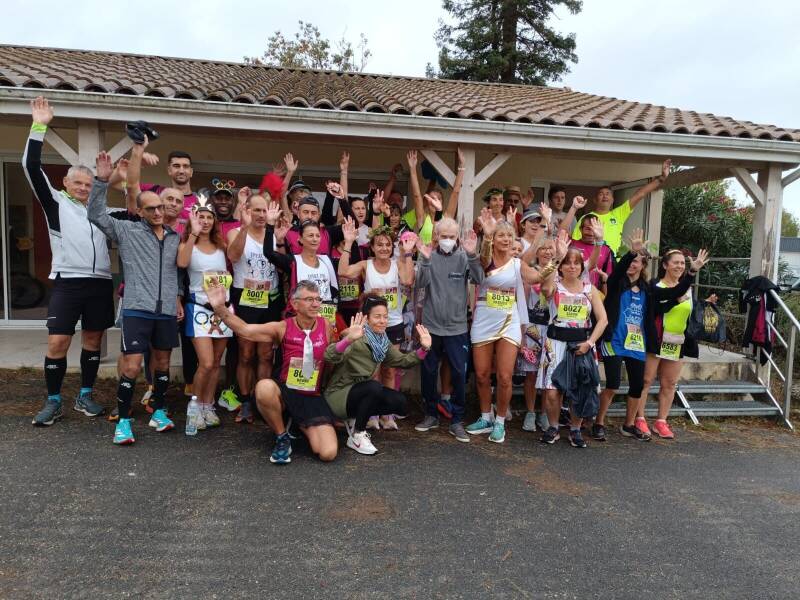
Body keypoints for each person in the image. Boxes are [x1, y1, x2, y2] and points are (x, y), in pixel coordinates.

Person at [23, 96, 111, 425]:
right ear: (66, 183)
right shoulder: (55, 203)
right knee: (58, 340)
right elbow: (31, 168)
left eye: (89, 184)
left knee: (93, 340)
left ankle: (85, 395)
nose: (84, 188)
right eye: (79, 183)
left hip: (100, 283)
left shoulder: (100, 209)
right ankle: (54, 401)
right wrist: (39, 127)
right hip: (68, 281)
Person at [88, 151, 182, 445]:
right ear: (139, 211)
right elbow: (95, 214)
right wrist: (101, 181)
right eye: (151, 209)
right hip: (137, 309)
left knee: (163, 365)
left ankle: (159, 411)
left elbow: (178, 271)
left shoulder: (174, 236)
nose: (158, 212)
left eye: (160, 208)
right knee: (131, 366)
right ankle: (124, 421)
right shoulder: (127, 230)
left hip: (165, 311)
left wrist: (177, 297)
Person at [206, 280, 338, 464]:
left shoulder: (326, 326)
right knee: (264, 387)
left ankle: (297, 426)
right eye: (309, 299)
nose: (315, 304)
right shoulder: (282, 327)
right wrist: (220, 309)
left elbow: (334, 355)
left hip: (311, 397)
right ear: (295, 304)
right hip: (285, 393)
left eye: (318, 299)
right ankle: (282, 436)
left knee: (328, 453)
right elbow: (246, 330)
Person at [465, 209, 553, 443]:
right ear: (494, 238)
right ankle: (486, 417)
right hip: (484, 319)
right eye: (501, 235)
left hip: (509, 321)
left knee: (505, 376)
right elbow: (484, 260)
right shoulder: (485, 259)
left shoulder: (517, 263)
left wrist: (557, 260)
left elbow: (536, 278)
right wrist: (487, 234)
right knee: (482, 375)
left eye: (509, 236)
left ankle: (500, 422)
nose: (505, 239)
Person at [323, 296, 431, 455]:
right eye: (377, 316)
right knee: (373, 387)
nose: (382, 321)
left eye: (385, 317)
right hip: (339, 394)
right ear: (366, 318)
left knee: (400, 403)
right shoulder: (356, 336)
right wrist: (348, 339)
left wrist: (424, 349)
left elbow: (402, 361)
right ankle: (357, 435)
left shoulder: (382, 340)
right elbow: (329, 356)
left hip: (361, 392)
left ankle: (357, 415)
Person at [338, 221, 416, 430]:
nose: (384, 248)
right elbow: (343, 271)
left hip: (393, 324)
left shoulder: (398, 264)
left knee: (390, 370)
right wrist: (348, 243)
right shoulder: (366, 265)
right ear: (372, 247)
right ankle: (370, 413)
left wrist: (407, 253)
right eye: (379, 244)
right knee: (372, 371)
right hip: (371, 327)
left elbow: (408, 280)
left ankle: (386, 415)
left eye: (388, 244)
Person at [413, 218, 482, 442]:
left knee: (459, 374)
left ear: (457, 238)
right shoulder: (428, 255)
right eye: (444, 236)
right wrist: (424, 260)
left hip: (457, 327)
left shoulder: (463, 257)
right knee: (428, 372)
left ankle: (457, 420)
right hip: (431, 327)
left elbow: (479, 279)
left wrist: (472, 255)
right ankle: (431, 414)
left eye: (452, 237)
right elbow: (420, 283)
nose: (448, 240)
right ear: (436, 236)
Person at [537, 245, 608, 448]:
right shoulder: (555, 285)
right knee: (552, 391)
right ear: (561, 266)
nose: (572, 266)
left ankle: (576, 429)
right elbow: (545, 290)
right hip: (555, 344)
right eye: (567, 263)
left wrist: (589, 343)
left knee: (581, 389)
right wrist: (557, 258)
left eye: (576, 263)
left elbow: (603, 320)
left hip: (582, 346)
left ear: (581, 267)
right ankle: (553, 427)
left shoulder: (589, 289)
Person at [637, 248, 712, 439]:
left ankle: (661, 421)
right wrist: (692, 273)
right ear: (665, 265)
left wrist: (705, 304)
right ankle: (639, 418)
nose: (679, 266)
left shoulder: (687, 288)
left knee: (669, 383)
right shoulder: (655, 285)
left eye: (682, 263)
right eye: (675, 262)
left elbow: (688, 312)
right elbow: (664, 303)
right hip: (656, 340)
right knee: (646, 380)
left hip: (677, 341)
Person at [592, 228, 654, 441]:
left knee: (637, 385)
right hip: (614, 340)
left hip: (636, 343)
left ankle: (629, 425)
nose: (632, 264)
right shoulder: (616, 282)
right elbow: (617, 271)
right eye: (631, 260)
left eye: (637, 261)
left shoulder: (647, 289)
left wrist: (690, 274)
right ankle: (598, 422)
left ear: (643, 265)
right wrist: (631, 252)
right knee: (612, 384)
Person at [227, 193, 283, 424]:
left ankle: (263, 400)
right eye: (256, 210)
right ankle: (245, 400)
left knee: (266, 354)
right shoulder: (236, 232)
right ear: (247, 210)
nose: (261, 215)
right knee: (246, 353)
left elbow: (283, 265)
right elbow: (233, 256)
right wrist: (244, 227)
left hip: (271, 297)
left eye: (264, 210)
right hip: (246, 296)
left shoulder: (274, 234)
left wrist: (279, 239)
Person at [177, 200, 233, 429]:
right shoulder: (187, 244)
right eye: (201, 217)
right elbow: (182, 263)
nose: (206, 221)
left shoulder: (221, 246)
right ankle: (194, 406)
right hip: (199, 309)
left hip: (223, 309)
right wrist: (193, 233)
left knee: (217, 362)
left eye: (210, 217)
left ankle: (208, 405)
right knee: (206, 362)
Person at [565, 160, 672, 254]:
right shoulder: (586, 218)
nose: (605, 196)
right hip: (591, 261)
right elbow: (576, 243)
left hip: (613, 263)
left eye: (608, 194)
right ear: (595, 200)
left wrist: (661, 179)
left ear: (612, 200)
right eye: (601, 194)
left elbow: (639, 195)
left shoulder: (618, 214)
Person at [264, 204, 339, 325]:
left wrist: (348, 242)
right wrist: (270, 225)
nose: (315, 239)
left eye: (317, 236)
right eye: (310, 235)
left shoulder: (327, 261)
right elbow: (269, 253)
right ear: (300, 239)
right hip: (301, 321)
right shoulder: (293, 262)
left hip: (325, 321)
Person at [518, 237, 557, 433]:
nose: (547, 252)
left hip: (551, 330)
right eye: (543, 248)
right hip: (532, 328)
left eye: (551, 248)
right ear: (537, 252)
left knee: (547, 374)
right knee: (531, 373)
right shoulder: (529, 273)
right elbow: (522, 304)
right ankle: (531, 412)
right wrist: (522, 335)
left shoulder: (559, 273)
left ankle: (544, 413)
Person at [404, 149, 465, 245]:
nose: (434, 201)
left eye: (438, 198)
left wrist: (462, 166)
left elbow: (455, 193)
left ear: (442, 202)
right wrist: (412, 167)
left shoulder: (446, 217)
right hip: (424, 255)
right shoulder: (422, 218)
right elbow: (417, 196)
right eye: (432, 198)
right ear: (427, 201)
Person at [569, 212, 615, 289]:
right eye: (588, 229)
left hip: (594, 293)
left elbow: (607, 278)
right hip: (572, 291)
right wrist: (574, 207)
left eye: (595, 229)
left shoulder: (606, 250)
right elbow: (561, 232)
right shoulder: (572, 244)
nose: (591, 233)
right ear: (580, 229)